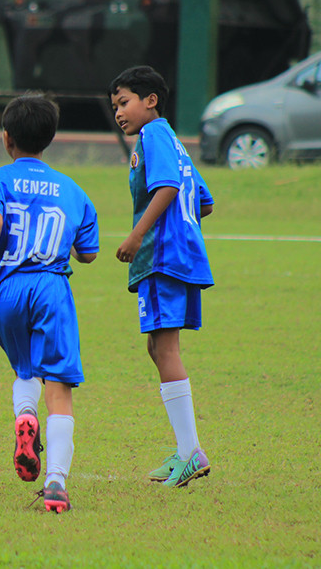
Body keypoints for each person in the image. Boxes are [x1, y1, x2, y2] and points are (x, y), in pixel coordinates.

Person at [0, 95, 99, 514]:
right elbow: (88, 252)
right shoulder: (73, 190)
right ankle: (56, 482)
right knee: (58, 387)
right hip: (50, 287)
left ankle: (25, 415)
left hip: (5, 289)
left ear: (7, 139)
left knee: (25, 370)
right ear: (50, 140)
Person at [108, 65, 214, 488]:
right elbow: (203, 201)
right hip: (183, 254)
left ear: (151, 100)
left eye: (124, 101)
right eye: (114, 106)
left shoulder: (153, 136)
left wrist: (137, 235)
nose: (118, 112)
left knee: (165, 348)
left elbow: (168, 187)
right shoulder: (174, 140)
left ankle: (191, 452)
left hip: (162, 256)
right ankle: (184, 447)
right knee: (158, 346)